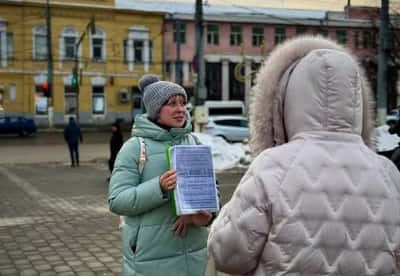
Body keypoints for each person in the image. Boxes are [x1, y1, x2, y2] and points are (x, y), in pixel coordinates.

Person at [207, 36, 400, 275]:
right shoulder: (389, 173)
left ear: (287, 100)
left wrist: (222, 220)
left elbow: (229, 256)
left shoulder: (272, 166)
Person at [108, 75, 212, 276]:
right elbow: (116, 200)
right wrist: (159, 187)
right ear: (155, 110)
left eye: (182, 102)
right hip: (152, 259)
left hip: (195, 254)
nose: (181, 109)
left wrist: (205, 215)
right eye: (172, 104)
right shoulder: (135, 148)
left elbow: (211, 190)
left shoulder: (194, 142)